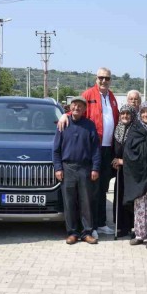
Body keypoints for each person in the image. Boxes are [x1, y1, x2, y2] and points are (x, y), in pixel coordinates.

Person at [59, 68, 119, 237]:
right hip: (93, 148)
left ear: (110, 80)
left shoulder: (112, 97)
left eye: (107, 78)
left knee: (103, 188)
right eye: (101, 77)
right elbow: (76, 108)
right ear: (96, 78)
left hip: (108, 148)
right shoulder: (88, 94)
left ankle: (101, 223)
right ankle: (90, 227)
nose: (103, 80)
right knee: (91, 190)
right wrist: (65, 115)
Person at [53, 96, 101, 245]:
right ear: (70, 107)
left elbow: (96, 149)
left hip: (85, 168)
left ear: (84, 109)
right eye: (74, 105)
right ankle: (72, 233)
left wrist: (95, 167)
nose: (77, 108)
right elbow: (56, 150)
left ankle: (87, 233)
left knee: (86, 202)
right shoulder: (63, 124)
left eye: (80, 106)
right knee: (69, 202)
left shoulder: (89, 125)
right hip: (67, 168)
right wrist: (58, 168)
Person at [123, 102, 147, 249]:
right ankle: (140, 235)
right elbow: (129, 152)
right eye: (143, 112)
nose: (146, 114)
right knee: (140, 206)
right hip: (139, 176)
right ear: (140, 114)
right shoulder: (135, 129)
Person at [111, 104, 136, 237]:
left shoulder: (136, 130)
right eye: (123, 114)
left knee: (131, 199)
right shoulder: (117, 130)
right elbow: (113, 149)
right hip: (120, 171)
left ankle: (133, 227)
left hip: (132, 171)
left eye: (128, 114)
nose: (125, 116)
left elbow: (137, 153)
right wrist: (114, 161)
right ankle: (121, 227)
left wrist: (124, 161)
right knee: (120, 197)